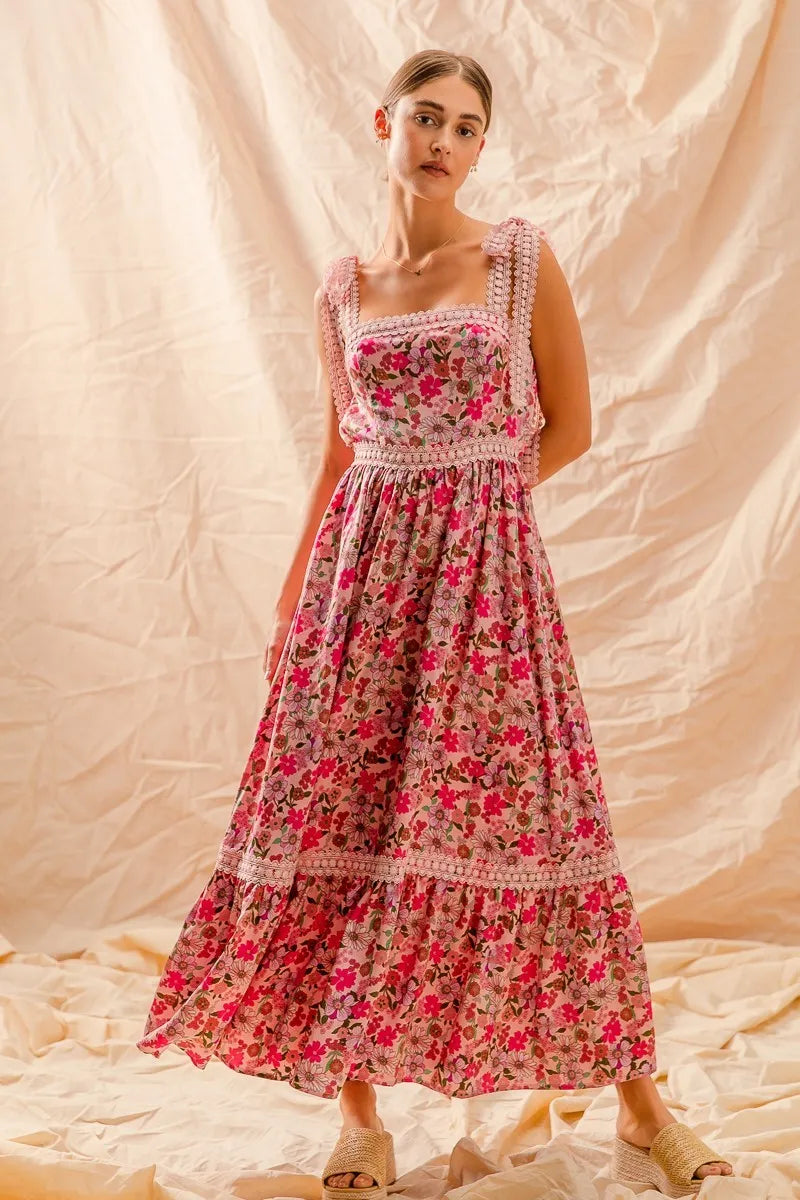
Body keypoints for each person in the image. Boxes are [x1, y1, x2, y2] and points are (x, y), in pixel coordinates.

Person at [137, 49, 734, 1199]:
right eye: (425, 118)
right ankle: (358, 1115)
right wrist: (294, 593)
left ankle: (640, 1106)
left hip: (485, 586)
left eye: (465, 128)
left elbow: (570, 423)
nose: (443, 143)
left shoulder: (513, 259)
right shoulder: (341, 287)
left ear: (479, 147)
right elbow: (335, 452)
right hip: (356, 588)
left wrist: (475, 512)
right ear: (382, 123)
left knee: (539, 825)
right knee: (348, 823)